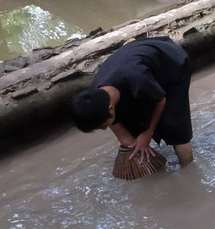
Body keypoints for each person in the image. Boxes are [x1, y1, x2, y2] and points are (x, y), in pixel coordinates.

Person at [70, 36, 195, 166]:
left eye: (103, 125)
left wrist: (147, 133)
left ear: (111, 108)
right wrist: (135, 146)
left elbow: (160, 100)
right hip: (136, 68)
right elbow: (125, 138)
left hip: (172, 64)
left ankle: (188, 168)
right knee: (134, 124)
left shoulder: (136, 77)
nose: (104, 129)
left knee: (175, 127)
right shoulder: (97, 96)